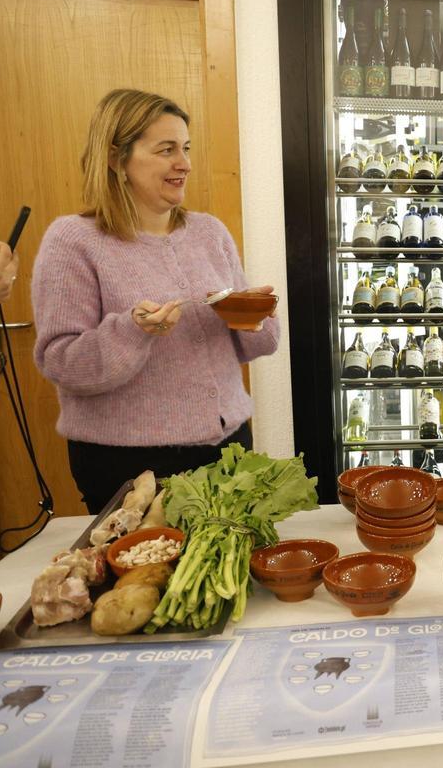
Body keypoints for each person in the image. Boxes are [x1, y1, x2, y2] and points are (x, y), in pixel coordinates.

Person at [32, 89, 281, 514]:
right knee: (144, 580)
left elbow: (259, 342)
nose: (183, 163)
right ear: (116, 159)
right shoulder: (73, 241)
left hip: (228, 450)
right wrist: (133, 331)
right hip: (130, 466)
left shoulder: (210, 232)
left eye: (185, 148)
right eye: (166, 150)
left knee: (230, 575)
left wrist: (252, 317)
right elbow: (60, 361)